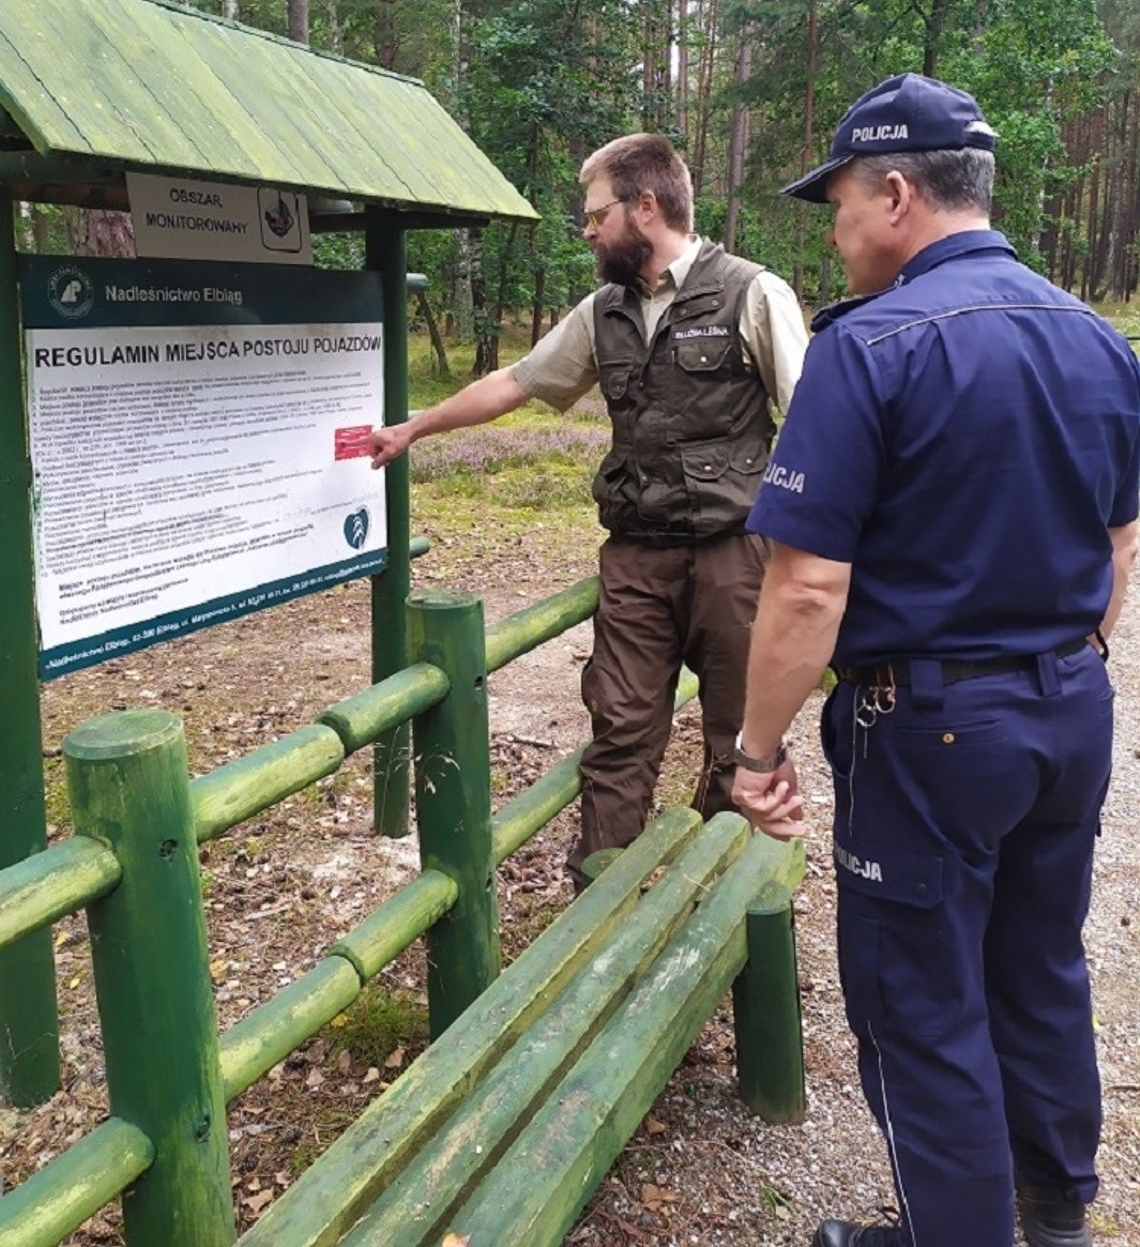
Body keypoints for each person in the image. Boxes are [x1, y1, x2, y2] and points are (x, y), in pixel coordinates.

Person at [730, 72, 1140, 1247]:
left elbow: (808, 581)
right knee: (1040, 961)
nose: (839, 229)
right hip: (1070, 711)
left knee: (921, 1000)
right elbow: (1121, 534)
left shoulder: (869, 348)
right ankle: (1053, 1211)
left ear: (898, 192)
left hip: (929, 730)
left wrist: (756, 749)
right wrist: (1067, 656)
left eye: (843, 203)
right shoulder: (1095, 337)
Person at [366, 132, 808, 887]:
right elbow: (518, 382)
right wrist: (413, 428)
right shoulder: (601, 312)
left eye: (595, 214)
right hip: (637, 559)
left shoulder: (751, 292)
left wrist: (815, 563)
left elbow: (809, 422)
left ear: (646, 206)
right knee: (621, 732)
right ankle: (602, 906)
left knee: (740, 738)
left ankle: (732, 901)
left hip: (739, 557)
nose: (588, 230)